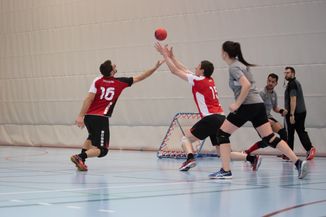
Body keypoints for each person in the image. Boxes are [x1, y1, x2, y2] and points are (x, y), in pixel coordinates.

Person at [208, 41, 309, 179]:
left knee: (222, 134)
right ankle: (298, 162)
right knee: (270, 138)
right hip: (258, 105)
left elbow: (246, 85)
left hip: (247, 106)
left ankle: (225, 170)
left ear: (225, 53)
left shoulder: (234, 67)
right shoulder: (241, 65)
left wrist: (237, 104)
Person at [154, 43, 261, 172]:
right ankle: (251, 159)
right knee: (221, 152)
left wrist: (165, 56)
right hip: (221, 118)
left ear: (202, 70)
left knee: (185, 139)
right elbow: (185, 69)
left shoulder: (197, 80)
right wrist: (173, 57)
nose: (195, 68)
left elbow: (175, 71)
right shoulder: (209, 80)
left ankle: (190, 158)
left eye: (198, 67)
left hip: (210, 118)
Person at [70, 59, 164, 171]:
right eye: (113, 66)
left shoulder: (97, 80)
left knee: (91, 137)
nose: (115, 65)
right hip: (101, 118)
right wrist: (155, 68)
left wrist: (81, 115)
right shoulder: (120, 82)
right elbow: (140, 77)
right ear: (111, 72)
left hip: (89, 117)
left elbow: (89, 98)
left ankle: (81, 161)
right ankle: (80, 157)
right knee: (103, 150)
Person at [245, 73, 289, 160]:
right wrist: (266, 120)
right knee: (267, 142)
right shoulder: (261, 93)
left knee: (283, 133)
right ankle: (248, 152)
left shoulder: (274, 94)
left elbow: (275, 107)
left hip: (269, 117)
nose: (270, 83)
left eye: (273, 82)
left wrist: (281, 111)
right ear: (267, 80)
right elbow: (256, 108)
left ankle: (286, 153)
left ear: (276, 83)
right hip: (259, 119)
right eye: (269, 81)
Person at [284, 66, 316, 160]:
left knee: (292, 133)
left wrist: (291, 114)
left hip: (296, 113)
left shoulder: (292, 84)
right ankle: (307, 149)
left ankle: (308, 149)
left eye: (288, 72)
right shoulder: (294, 82)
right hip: (301, 112)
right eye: (285, 73)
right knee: (297, 131)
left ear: (293, 73)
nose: (286, 74)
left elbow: (293, 99)